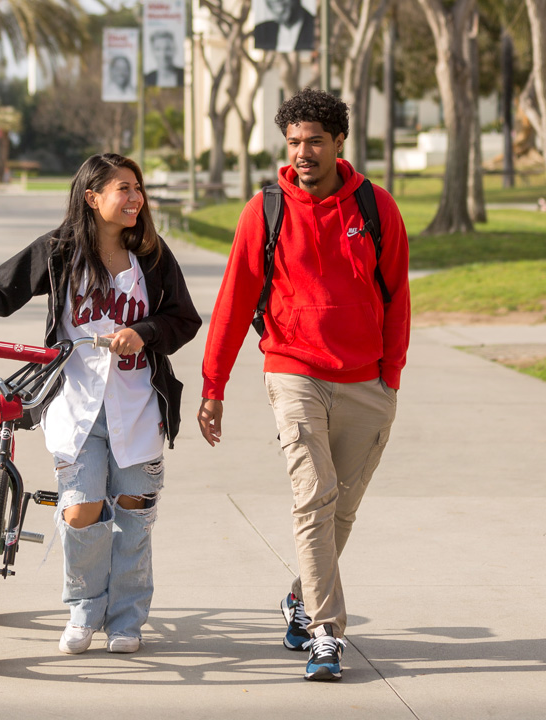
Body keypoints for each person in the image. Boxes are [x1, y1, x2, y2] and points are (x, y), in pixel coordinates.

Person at [0, 153, 202, 655]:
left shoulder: (151, 256)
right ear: (93, 197)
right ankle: (85, 609)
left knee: (134, 513)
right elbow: (0, 290)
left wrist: (145, 332)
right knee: (81, 511)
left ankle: (128, 618)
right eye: (123, 189)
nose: (135, 198)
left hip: (139, 408)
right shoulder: (59, 251)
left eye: (138, 189)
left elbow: (184, 318)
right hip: (76, 405)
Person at [197, 88, 410, 681]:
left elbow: (397, 299)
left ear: (339, 141)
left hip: (367, 380)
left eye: (315, 140)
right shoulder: (264, 210)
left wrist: (389, 378)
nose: (303, 152)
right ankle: (325, 633)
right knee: (314, 495)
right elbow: (234, 303)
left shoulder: (375, 207)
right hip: (293, 371)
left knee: (340, 510)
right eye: (293, 142)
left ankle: (300, 597)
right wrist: (213, 386)